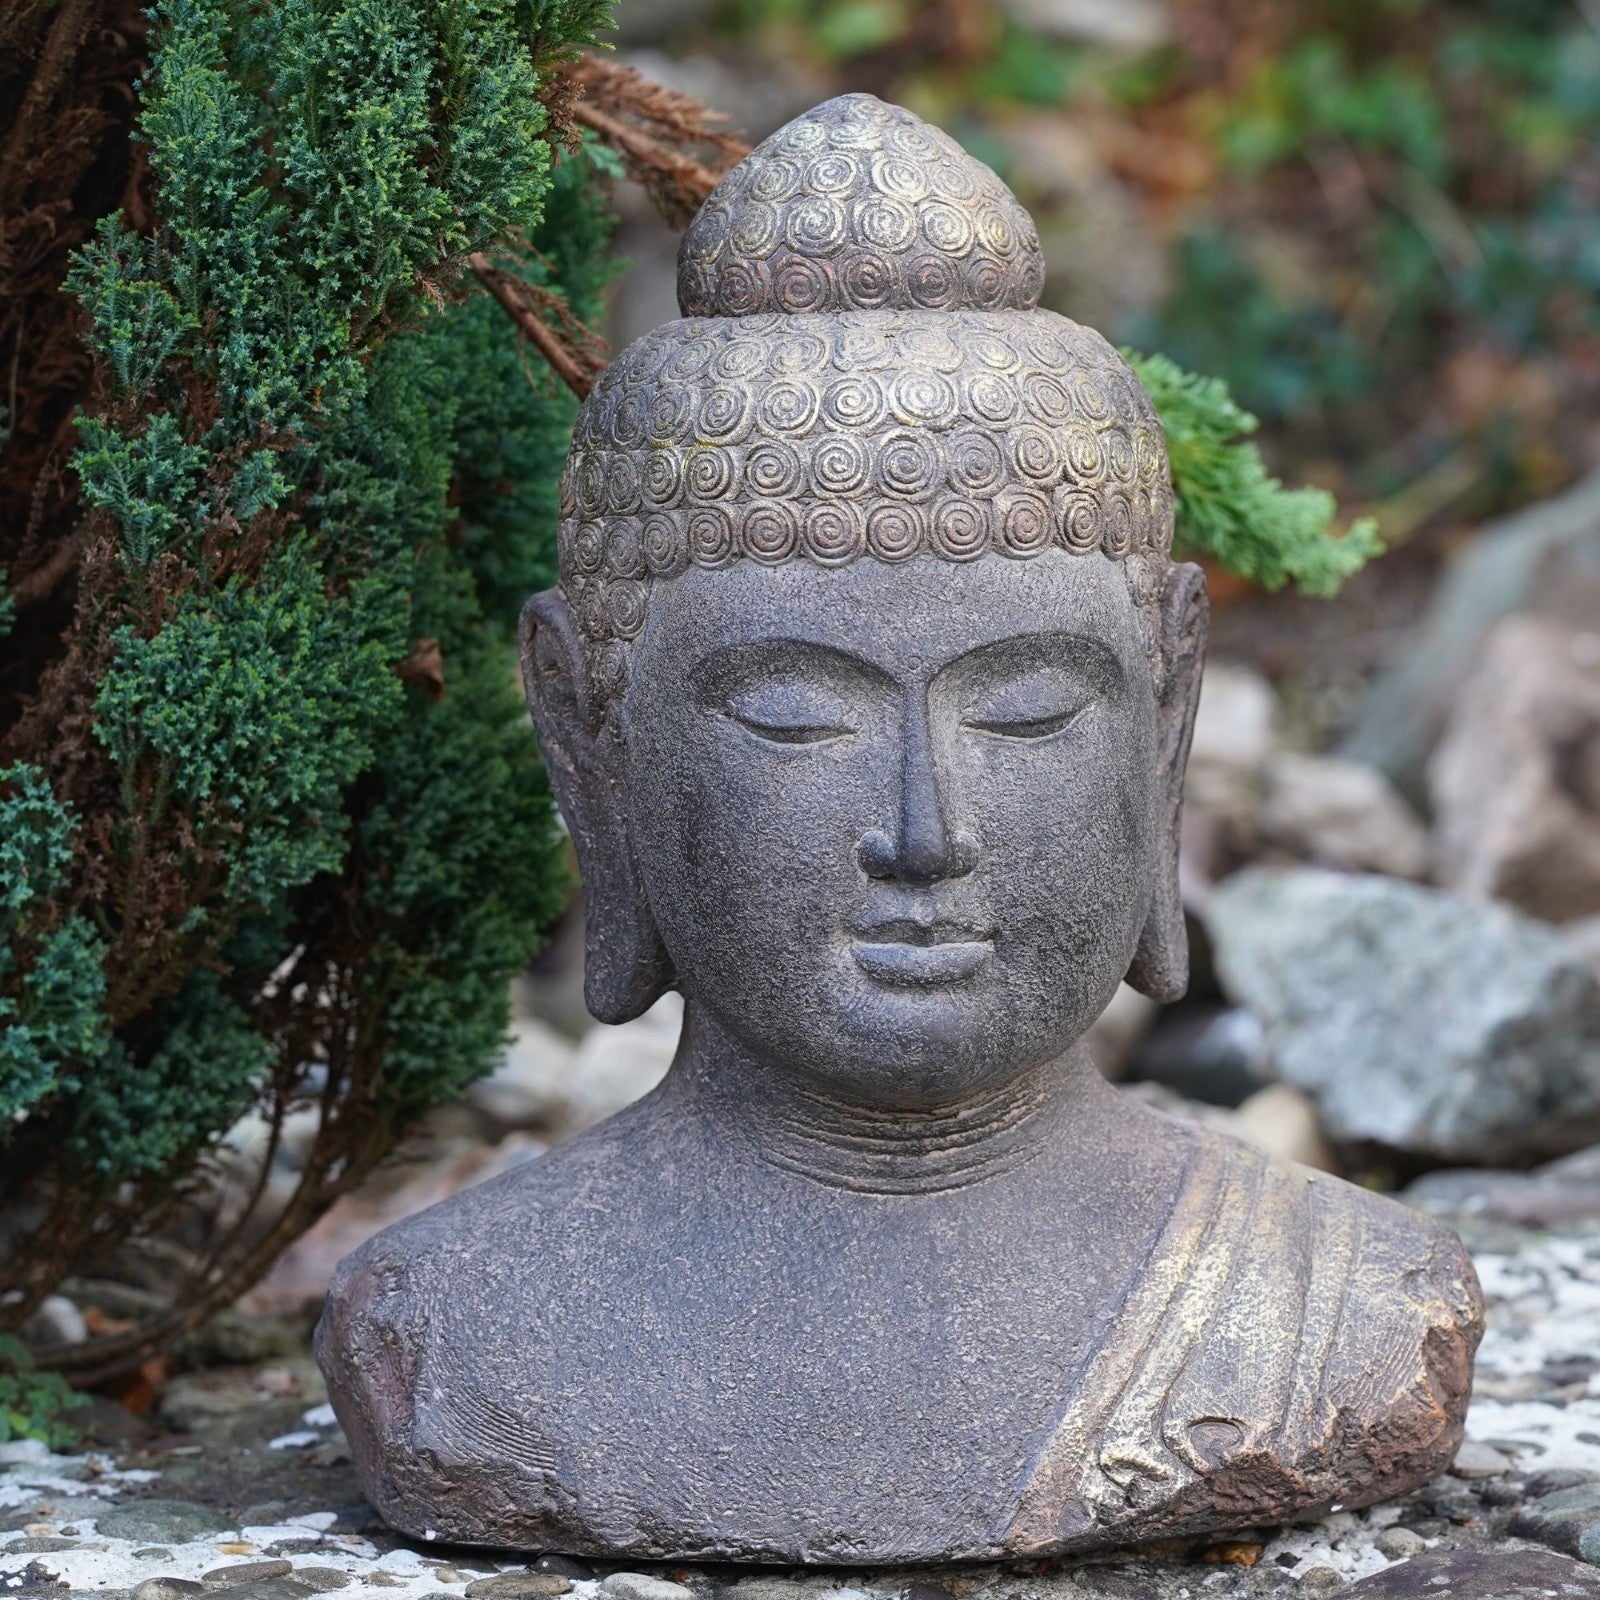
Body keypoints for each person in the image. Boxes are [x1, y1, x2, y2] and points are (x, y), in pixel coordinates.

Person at [317, 94, 1481, 1563]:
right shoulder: (464, 1335)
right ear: (591, 736)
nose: (925, 833)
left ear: (1165, 716)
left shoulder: (1334, 1304)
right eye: (799, 717)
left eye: (1027, 713)